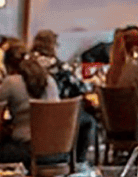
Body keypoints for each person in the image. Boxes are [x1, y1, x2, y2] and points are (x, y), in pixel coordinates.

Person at [29, 29, 96, 165]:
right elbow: (79, 88)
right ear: (52, 46)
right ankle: (79, 161)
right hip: (58, 118)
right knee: (88, 121)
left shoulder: (27, 64)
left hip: (30, 118)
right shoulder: (59, 67)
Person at [0, 44, 59, 168]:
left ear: (8, 65)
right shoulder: (49, 80)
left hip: (27, 149)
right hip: (56, 147)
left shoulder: (11, 82)